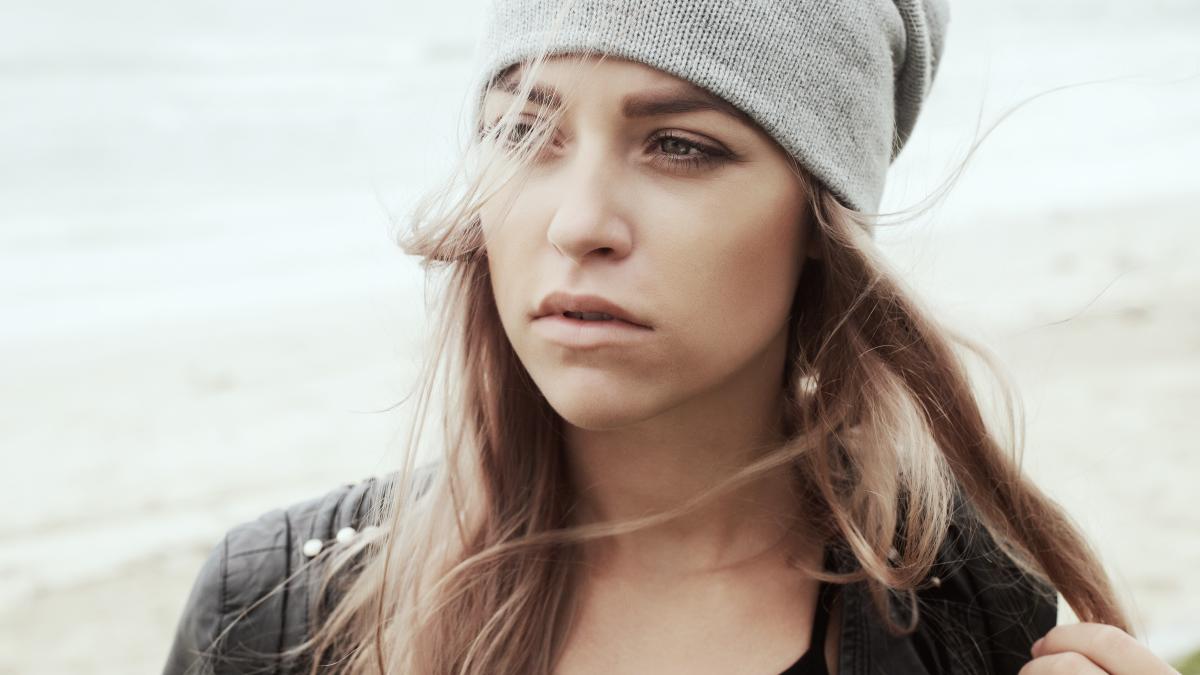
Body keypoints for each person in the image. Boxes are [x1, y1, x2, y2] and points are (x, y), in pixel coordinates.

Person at [163, 1, 1182, 673]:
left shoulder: (975, 628)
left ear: (820, 228)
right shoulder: (278, 614)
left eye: (680, 145)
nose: (578, 222)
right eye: (526, 132)